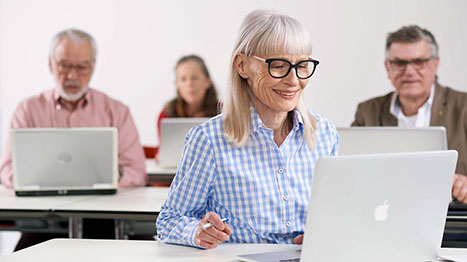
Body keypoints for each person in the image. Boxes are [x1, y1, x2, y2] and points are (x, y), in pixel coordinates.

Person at [156, 9, 339, 249]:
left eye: (302, 65)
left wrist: (327, 232)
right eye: (278, 65)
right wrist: (197, 232)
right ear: (242, 65)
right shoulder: (210, 140)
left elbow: (334, 214)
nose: (293, 80)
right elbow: (169, 221)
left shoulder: (324, 134)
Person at [0, 28, 147, 250]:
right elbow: (7, 170)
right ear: (51, 64)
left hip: (104, 219)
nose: (72, 75)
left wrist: (114, 176)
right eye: (65, 65)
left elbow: (137, 170)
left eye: (81, 67)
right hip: (44, 221)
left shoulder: (117, 111)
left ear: (93, 67)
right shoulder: (27, 110)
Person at [352, 25, 467, 203]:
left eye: (419, 62)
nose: (409, 71)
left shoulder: (464, 107)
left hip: (453, 221)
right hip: (385, 215)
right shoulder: (368, 111)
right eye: (399, 63)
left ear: (435, 65)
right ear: (387, 68)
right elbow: (351, 173)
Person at [154, 55, 219, 157]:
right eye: (183, 79)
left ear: (207, 81)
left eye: (195, 78)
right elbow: (162, 153)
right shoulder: (166, 114)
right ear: (177, 84)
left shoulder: (223, 113)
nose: (189, 84)